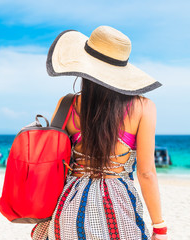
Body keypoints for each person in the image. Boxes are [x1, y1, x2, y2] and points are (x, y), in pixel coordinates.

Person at [31, 26, 166, 240]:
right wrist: (159, 227)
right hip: (118, 205)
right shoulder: (144, 107)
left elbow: (55, 161)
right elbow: (147, 173)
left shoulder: (67, 104)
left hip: (70, 205)